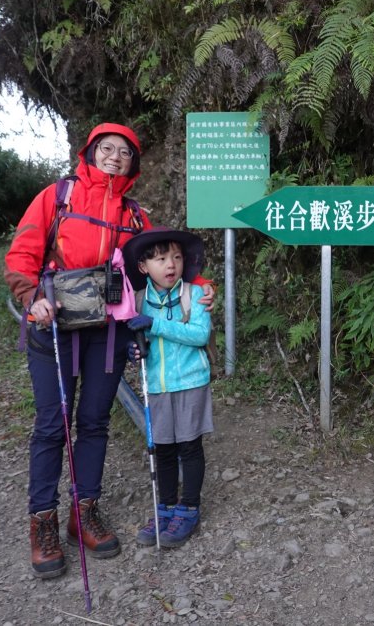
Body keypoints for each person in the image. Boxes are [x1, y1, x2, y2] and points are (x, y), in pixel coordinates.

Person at [4, 123, 212, 579]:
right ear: (91, 153)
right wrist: (29, 296)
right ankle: (42, 522)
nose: (115, 157)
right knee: (51, 424)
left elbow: (161, 263)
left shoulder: (135, 216)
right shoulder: (57, 197)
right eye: (108, 149)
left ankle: (85, 514)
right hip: (54, 325)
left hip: (107, 333)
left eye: (125, 153)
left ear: (133, 164)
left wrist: (200, 287)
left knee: (95, 422)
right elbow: (22, 253)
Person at [122, 227, 213, 549]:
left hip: (190, 381)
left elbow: (200, 335)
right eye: (160, 259)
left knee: (189, 446)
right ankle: (166, 508)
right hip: (156, 385)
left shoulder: (196, 294)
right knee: (163, 449)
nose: (170, 264)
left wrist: (156, 325)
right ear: (144, 267)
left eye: (175, 256)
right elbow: (130, 339)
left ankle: (188, 508)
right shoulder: (135, 301)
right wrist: (133, 350)